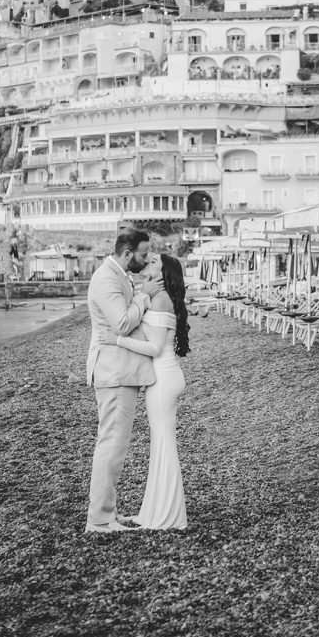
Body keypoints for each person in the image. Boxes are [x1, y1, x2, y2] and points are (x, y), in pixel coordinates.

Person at [103, 253, 190, 530]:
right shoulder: (158, 297)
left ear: (163, 273)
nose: (147, 263)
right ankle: (157, 513)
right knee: (161, 445)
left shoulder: (161, 300)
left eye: (153, 262)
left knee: (164, 446)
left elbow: (154, 347)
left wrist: (118, 340)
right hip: (164, 377)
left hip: (163, 380)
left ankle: (169, 517)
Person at [85, 228, 164, 535]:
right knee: (111, 446)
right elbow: (121, 323)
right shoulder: (106, 279)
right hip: (113, 372)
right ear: (128, 253)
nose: (145, 260)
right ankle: (101, 520)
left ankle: (109, 513)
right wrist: (145, 295)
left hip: (118, 371)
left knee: (114, 446)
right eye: (143, 254)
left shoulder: (117, 275)